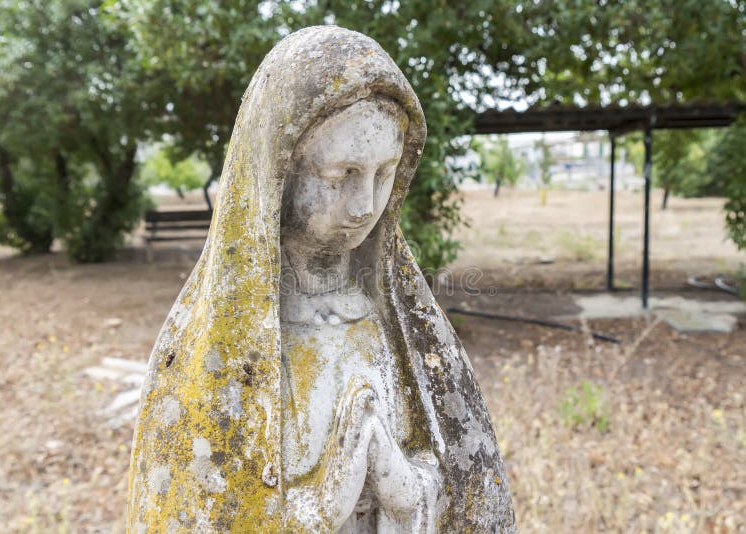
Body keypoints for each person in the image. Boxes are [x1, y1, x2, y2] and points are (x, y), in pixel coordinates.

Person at [128, 26, 515, 533]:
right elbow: (191, 509)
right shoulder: (215, 351)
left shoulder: (394, 324)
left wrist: (407, 489)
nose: (363, 206)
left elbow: (461, 483)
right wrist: (316, 513)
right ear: (281, 172)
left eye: (384, 175)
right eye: (340, 177)